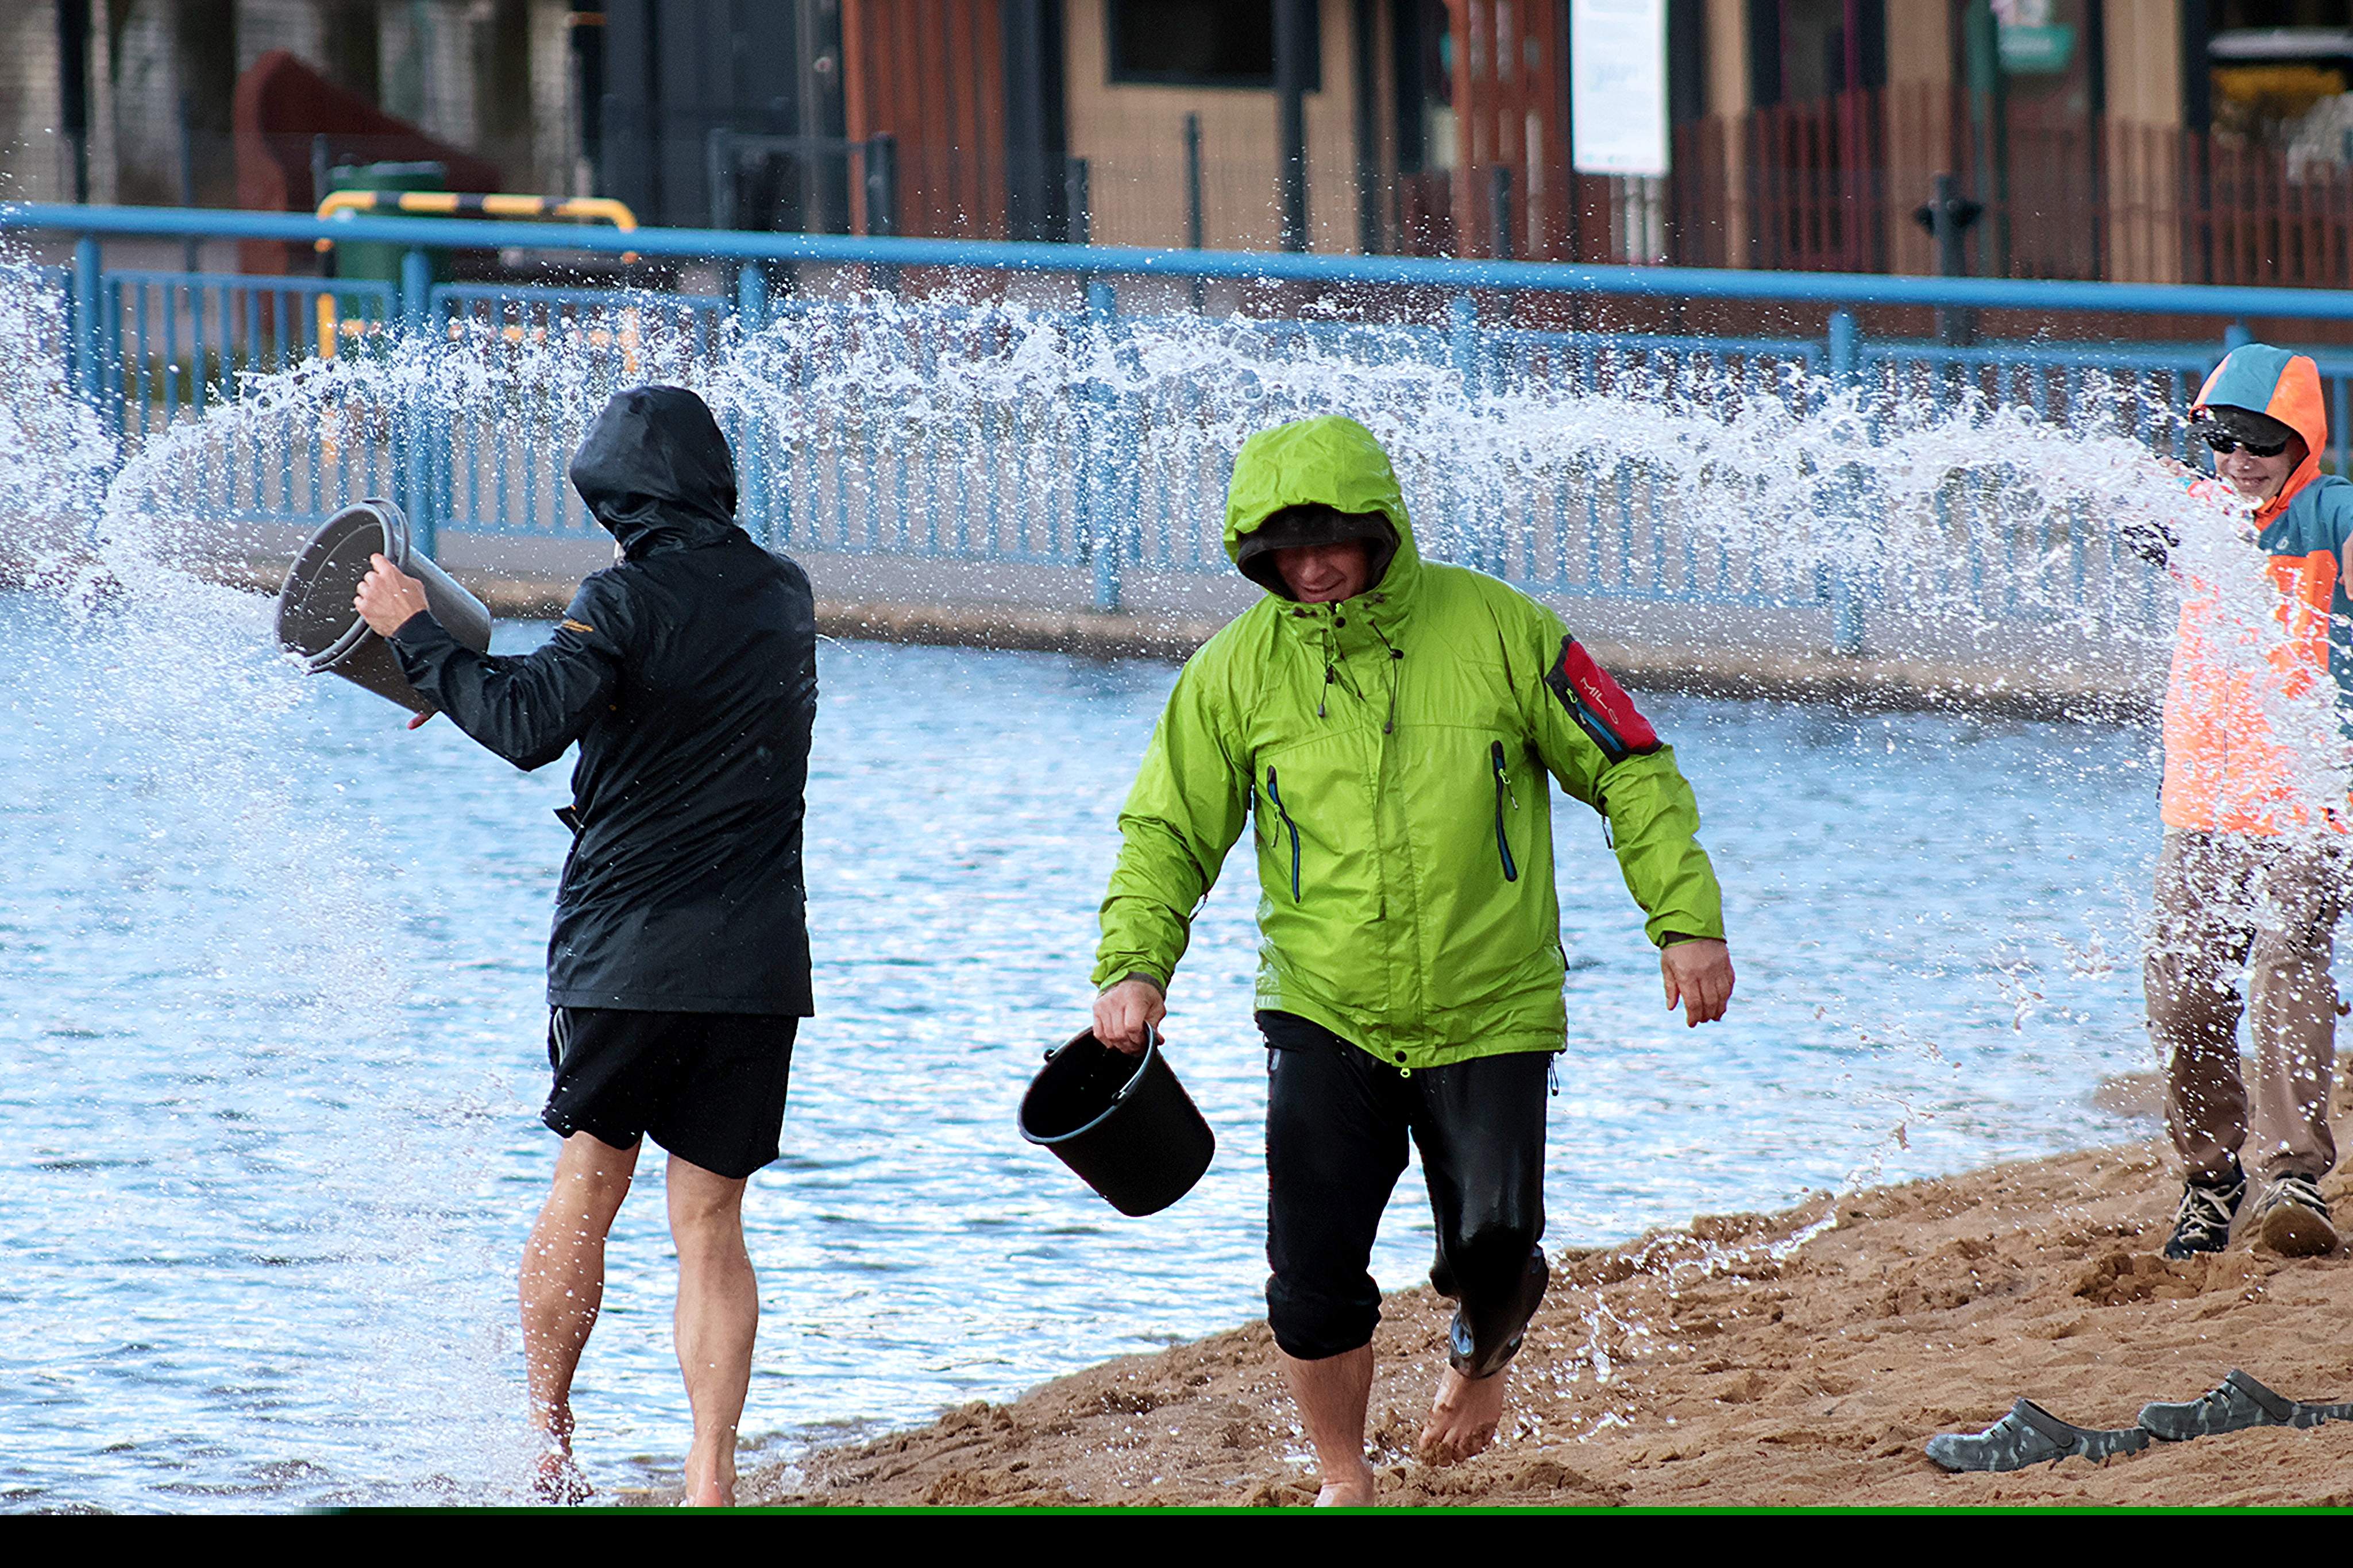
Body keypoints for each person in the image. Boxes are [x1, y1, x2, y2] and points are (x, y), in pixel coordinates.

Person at [1089, 415, 1731, 1507]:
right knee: (1311, 1276)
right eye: (1285, 552)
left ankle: (1479, 1362)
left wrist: (1685, 919)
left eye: (1333, 538)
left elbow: (1630, 764)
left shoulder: (1503, 631)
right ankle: (1347, 1479)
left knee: (1498, 1241)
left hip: (1493, 1002)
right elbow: (1168, 832)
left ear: (1384, 526)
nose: (1314, 566)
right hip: (1321, 1005)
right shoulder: (1232, 674)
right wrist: (1135, 966)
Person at [352, 385, 817, 1505]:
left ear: (620, 501)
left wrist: (415, 633)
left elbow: (526, 729)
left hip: (626, 958)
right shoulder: (782, 593)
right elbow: (635, 698)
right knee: (709, 1219)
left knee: (588, 1179)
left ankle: (550, 1438)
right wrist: (463, 680)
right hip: (755, 960)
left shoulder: (623, 596)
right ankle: (710, 1480)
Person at [2138, 345, 2353, 1261]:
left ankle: (2294, 1172)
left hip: (2315, 799)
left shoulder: (2331, 509)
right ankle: (2212, 1178)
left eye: (2264, 440)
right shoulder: (2198, 515)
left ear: (2302, 441)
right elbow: (2138, 514)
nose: (2241, 457)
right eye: (2224, 439)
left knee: (2289, 961)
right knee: (2182, 994)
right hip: (2202, 801)